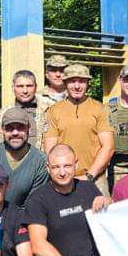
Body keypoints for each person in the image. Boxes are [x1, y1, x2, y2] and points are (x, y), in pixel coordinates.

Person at [42, 63, 115, 194]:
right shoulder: (54, 111)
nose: (77, 86)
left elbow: (108, 147)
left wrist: (90, 176)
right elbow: (50, 150)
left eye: (81, 81)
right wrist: (63, 174)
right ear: (65, 83)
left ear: (88, 83)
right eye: (72, 81)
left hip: (95, 178)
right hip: (62, 178)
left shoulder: (100, 109)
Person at [0, 70, 49, 149]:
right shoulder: (1, 116)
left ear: (36, 87)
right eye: (20, 86)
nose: (25, 91)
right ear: (13, 87)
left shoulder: (49, 110)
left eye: (29, 86)